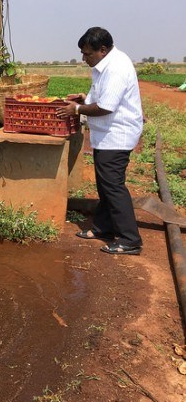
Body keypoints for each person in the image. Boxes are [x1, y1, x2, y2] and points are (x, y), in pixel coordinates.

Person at [56, 27, 143, 255]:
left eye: (87, 54)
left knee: (113, 187)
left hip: (117, 134)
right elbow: (100, 97)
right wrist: (84, 100)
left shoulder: (116, 68)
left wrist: (76, 109)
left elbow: (106, 106)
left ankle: (129, 239)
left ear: (102, 50)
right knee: (105, 185)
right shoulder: (102, 65)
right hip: (106, 135)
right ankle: (103, 228)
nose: (84, 58)